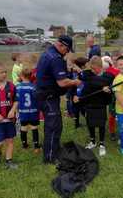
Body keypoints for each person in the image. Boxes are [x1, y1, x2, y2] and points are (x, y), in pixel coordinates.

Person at [36, 35, 81, 164]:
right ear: (62, 45)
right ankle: (50, 157)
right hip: (47, 97)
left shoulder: (49, 53)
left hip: (48, 96)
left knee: (56, 125)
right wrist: (75, 82)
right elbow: (62, 83)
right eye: (67, 50)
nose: (67, 52)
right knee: (53, 126)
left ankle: (54, 148)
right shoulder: (55, 58)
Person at [76, 56, 112, 156]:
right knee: (90, 123)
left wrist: (107, 89)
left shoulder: (107, 76)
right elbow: (90, 80)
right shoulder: (88, 74)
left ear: (100, 67)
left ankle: (101, 143)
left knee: (101, 125)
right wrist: (101, 86)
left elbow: (107, 85)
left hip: (100, 105)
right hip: (89, 104)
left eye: (94, 68)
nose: (92, 70)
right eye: (91, 68)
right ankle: (92, 141)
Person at [16, 67, 41, 153]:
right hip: (33, 111)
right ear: (31, 76)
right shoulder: (33, 87)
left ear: (22, 76)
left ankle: (24, 145)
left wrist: (16, 110)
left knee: (23, 127)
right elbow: (37, 98)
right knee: (34, 127)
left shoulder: (17, 87)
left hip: (23, 112)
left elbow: (16, 100)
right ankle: (36, 146)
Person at [103, 50, 121, 141]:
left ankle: (122, 131)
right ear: (112, 60)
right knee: (112, 115)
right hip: (112, 97)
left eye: (118, 59)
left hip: (121, 96)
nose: (116, 61)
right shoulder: (108, 70)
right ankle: (112, 132)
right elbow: (104, 82)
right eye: (114, 59)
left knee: (122, 114)